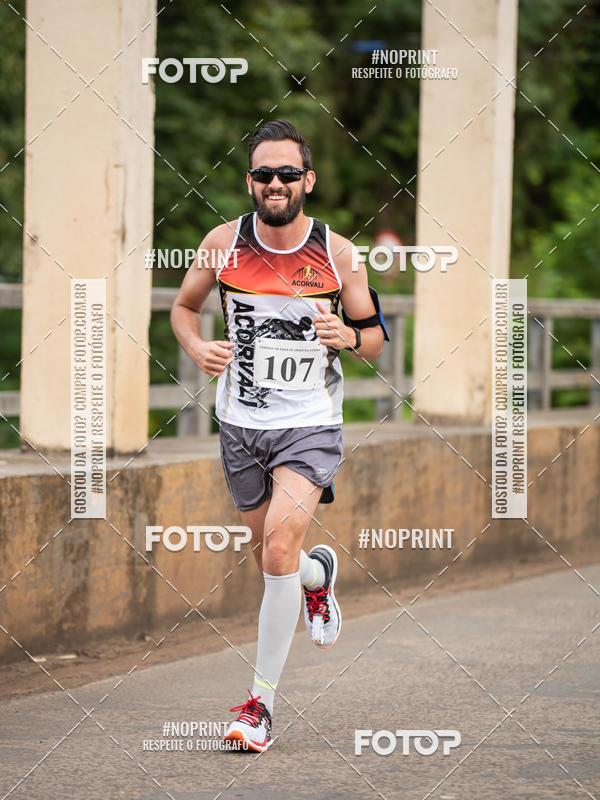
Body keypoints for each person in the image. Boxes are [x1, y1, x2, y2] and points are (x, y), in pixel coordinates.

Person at [171, 119, 387, 752]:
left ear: (307, 181)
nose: (275, 183)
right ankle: (317, 580)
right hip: (241, 424)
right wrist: (196, 346)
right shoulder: (222, 242)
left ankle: (258, 707)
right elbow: (184, 307)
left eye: (288, 173)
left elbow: (373, 338)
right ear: (249, 181)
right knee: (273, 554)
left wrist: (347, 336)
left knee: (276, 549)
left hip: (310, 422)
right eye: (263, 173)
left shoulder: (339, 253)